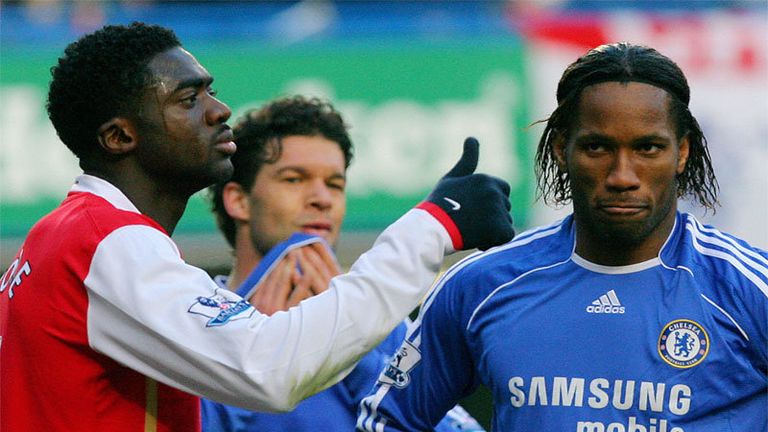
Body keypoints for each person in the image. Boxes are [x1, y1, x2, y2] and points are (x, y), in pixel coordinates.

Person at [0, 22, 515, 432]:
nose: (219, 110)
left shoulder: (61, 237)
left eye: (210, 91)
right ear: (119, 137)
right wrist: (432, 228)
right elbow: (269, 367)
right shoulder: (106, 243)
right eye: (188, 100)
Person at [357, 42, 768, 432]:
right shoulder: (481, 285)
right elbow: (387, 421)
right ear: (560, 149)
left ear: (682, 152)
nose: (622, 176)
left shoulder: (747, 289)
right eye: (597, 148)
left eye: (647, 148)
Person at [200, 95, 485, 431]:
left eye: (334, 184)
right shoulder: (196, 319)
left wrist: (352, 352)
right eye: (294, 179)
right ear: (239, 200)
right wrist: (254, 361)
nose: (323, 199)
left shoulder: (382, 324)